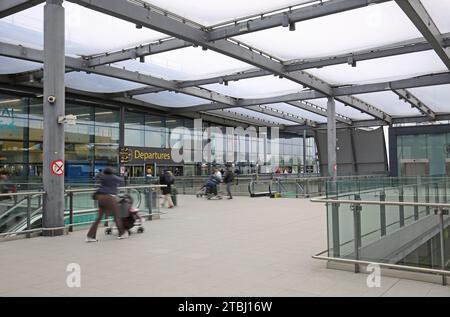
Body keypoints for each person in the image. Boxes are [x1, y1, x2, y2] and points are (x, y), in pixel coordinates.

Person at [86, 167, 126, 242]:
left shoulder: (103, 176)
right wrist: (122, 174)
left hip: (100, 197)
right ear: (112, 172)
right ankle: (122, 233)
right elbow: (122, 180)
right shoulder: (113, 177)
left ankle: (90, 236)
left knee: (98, 218)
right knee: (117, 216)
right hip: (110, 198)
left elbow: (97, 177)